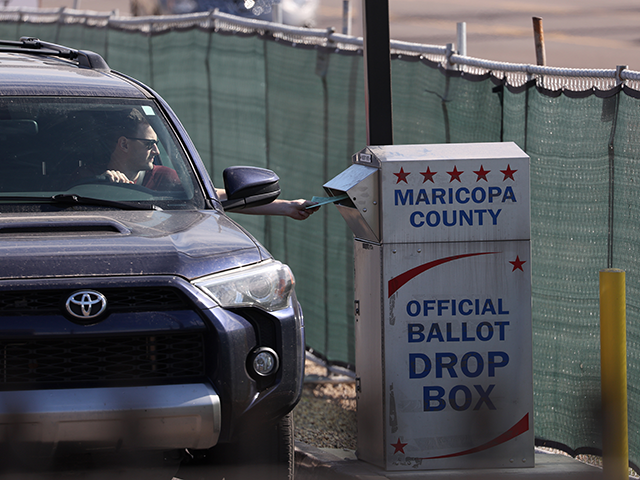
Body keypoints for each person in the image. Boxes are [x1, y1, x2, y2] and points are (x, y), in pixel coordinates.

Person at [98, 108, 318, 220]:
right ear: (124, 144)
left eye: (157, 144)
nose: (156, 151)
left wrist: (288, 206)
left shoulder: (165, 178)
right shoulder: (83, 178)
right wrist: (108, 189)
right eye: (149, 144)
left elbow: (214, 197)